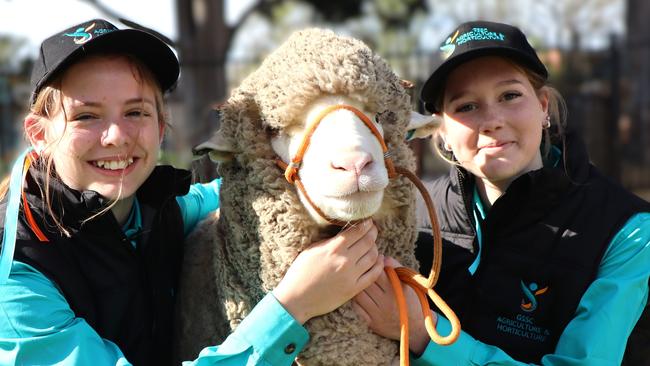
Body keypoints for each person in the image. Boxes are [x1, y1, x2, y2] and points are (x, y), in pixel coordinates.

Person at [0, 19, 384, 365]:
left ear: (161, 126)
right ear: (39, 134)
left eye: (135, 112)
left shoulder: (159, 208)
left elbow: (224, 191)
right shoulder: (17, 274)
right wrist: (293, 306)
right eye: (86, 116)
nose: (116, 136)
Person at [353, 20, 650, 365]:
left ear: (543, 107)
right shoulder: (410, 212)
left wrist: (423, 333)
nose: (492, 120)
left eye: (510, 95)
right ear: (442, 130)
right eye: (466, 106)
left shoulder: (630, 231)